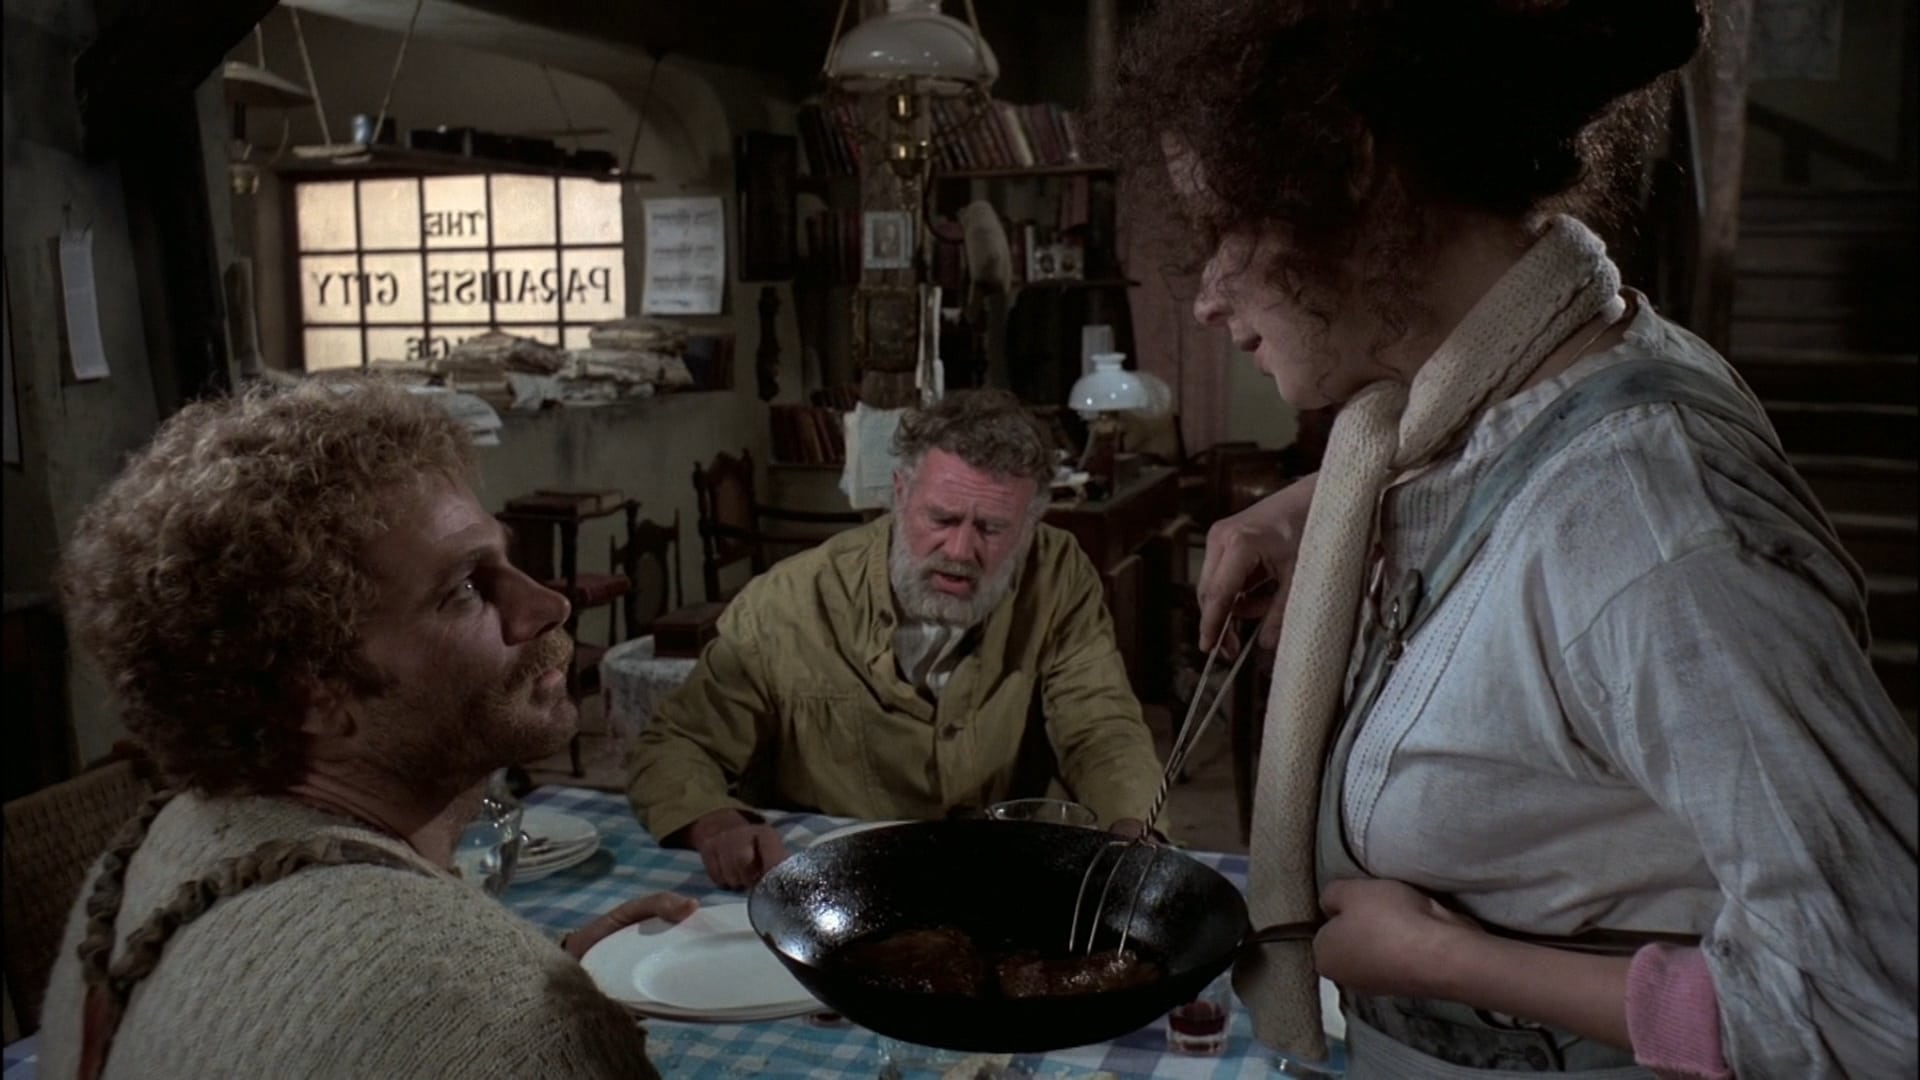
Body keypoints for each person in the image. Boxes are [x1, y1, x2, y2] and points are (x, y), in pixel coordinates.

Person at [1106, 1, 1917, 1078]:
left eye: (1226, 227)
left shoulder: (1653, 525)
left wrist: (1451, 961)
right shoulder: (1469, 417)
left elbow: (1879, 1006)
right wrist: (1328, 508)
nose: (1207, 297)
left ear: (1349, 164)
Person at [42, 379, 690, 1079]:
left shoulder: (161, 843)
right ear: (314, 693)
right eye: (464, 588)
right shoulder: (499, 1017)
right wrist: (541, 1027)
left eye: (505, 558)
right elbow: (438, 1013)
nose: (548, 605)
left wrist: (540, 978)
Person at [628, 389, 1164, 889]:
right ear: (901, 493)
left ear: (1030, 524)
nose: (960, 551)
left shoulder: (1059, 574)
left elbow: (1100, 727)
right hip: (835, 887)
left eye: (992, 529)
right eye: (942, 518)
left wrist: (1130, 826)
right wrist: (717, 823)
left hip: (995, 882)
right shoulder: (791, 600)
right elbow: (679, 743)